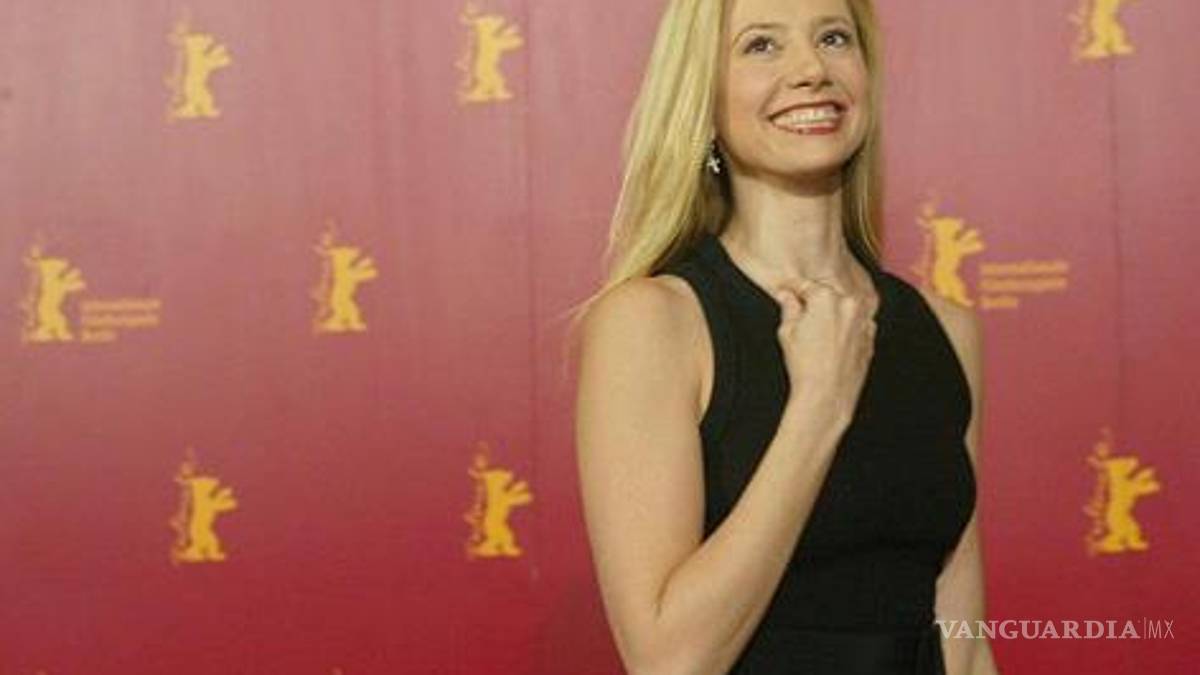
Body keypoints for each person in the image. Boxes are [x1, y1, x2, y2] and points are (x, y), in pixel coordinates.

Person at [568, 0, 999, 673]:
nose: (811, 69)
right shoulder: (653, 324)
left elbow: (964, 645)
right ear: (703, 99)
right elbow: (670, 661)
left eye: (834, 38)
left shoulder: (944, 329)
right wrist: (818, 408)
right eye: (761, 46)